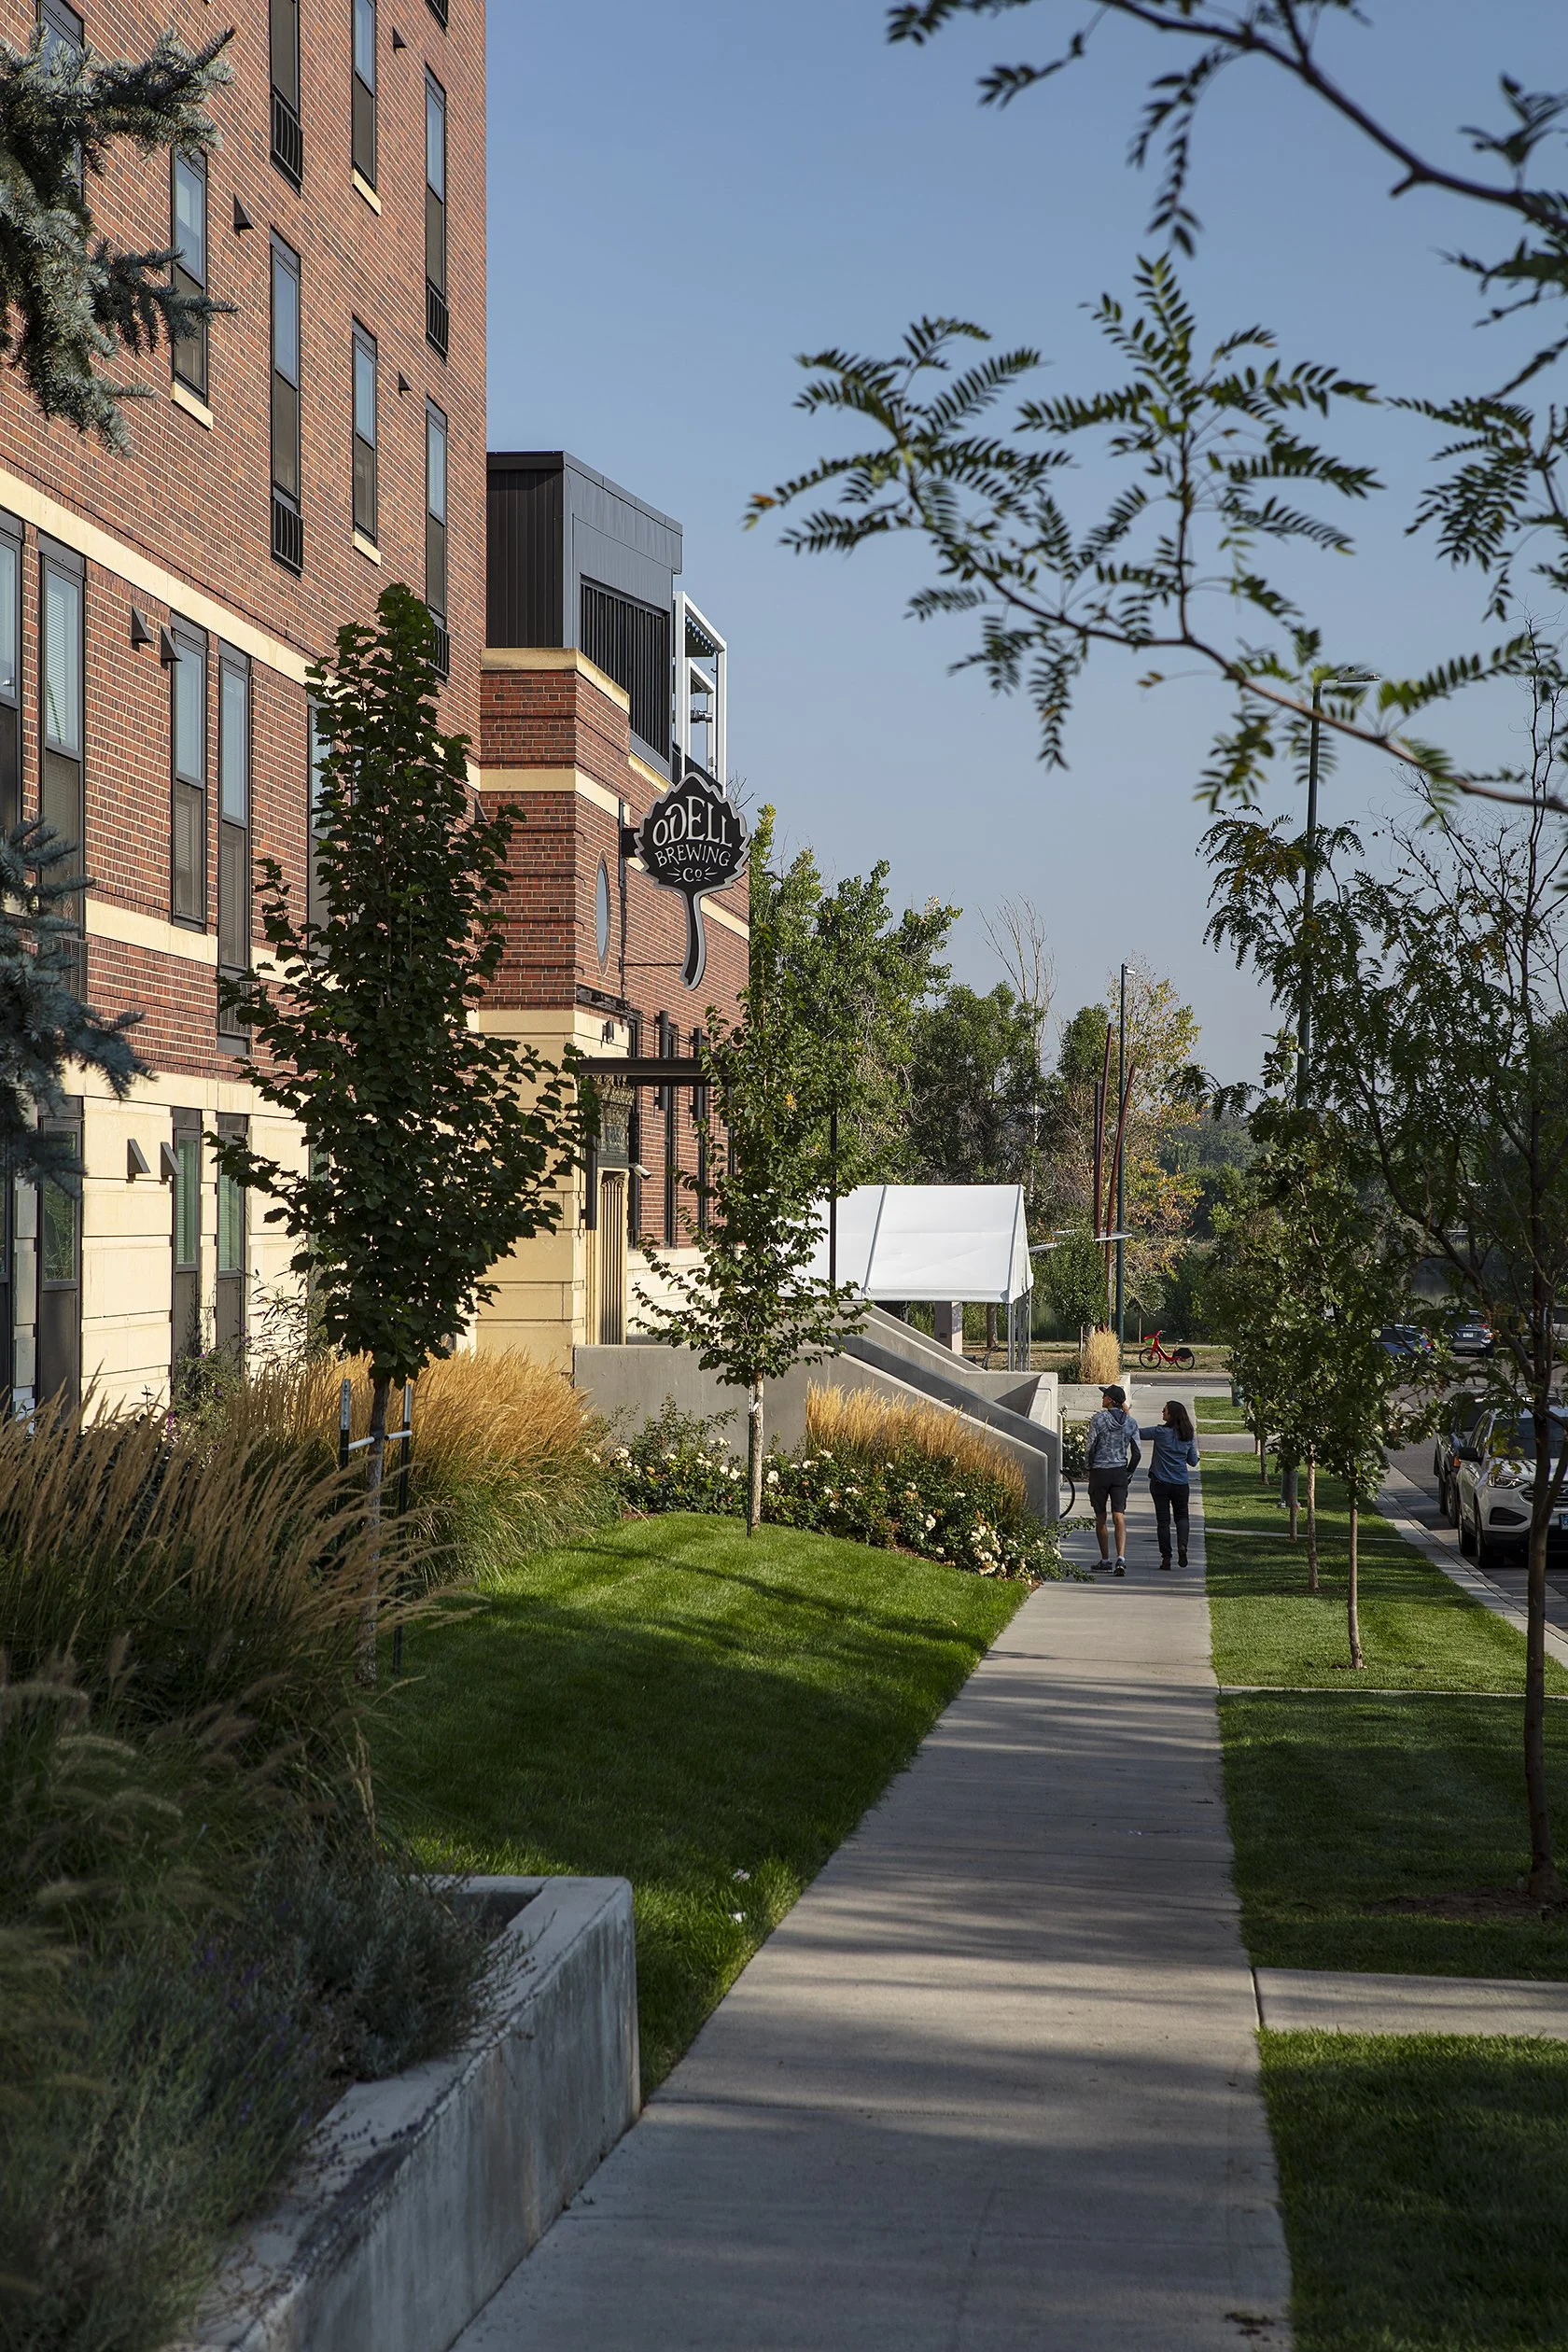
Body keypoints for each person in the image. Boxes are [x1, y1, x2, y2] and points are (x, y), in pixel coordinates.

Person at [1085, 1382, 1140, 1575]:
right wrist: (1129, 1472)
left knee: (1101, 1517)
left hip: (1100, 1471)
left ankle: (1105, 1559)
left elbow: (1090, 1446)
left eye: (1104, 1396)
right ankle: (1121, 1558)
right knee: (1119, 1515)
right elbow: (1137, 1452)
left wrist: (1088, 1466)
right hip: (1119, 1471)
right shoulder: (1131, 1423)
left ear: (1110, 1400)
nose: (1102, 1398)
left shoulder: (1098, 1420)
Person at [1148, 1398, 1199, 1569]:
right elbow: (1192, 1461)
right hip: (1180, 1483)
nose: (1162, 1412)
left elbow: (1137, 1432)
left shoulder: (1159, 1432)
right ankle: (1183, 1545)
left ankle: (1166, 1557)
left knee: (1163, 1521)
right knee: (1182, 1516)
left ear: (1171, 1415)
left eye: (1165, 1410)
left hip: (1160, 1482)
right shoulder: (1188, 1435)